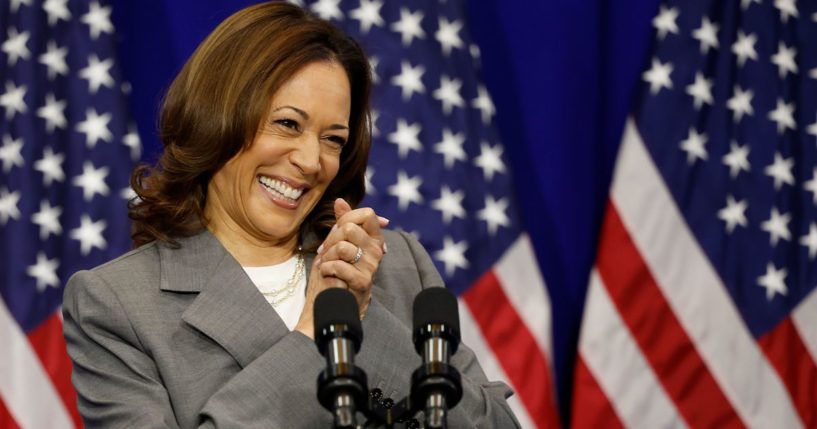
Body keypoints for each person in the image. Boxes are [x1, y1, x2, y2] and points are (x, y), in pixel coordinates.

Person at [62, 2, 520, 428]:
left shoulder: (396, 265)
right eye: (288, 124)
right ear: (217, 116)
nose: (310, 160)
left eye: (333, 139)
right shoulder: (116, 305)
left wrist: (364, 319)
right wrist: (315, 339)